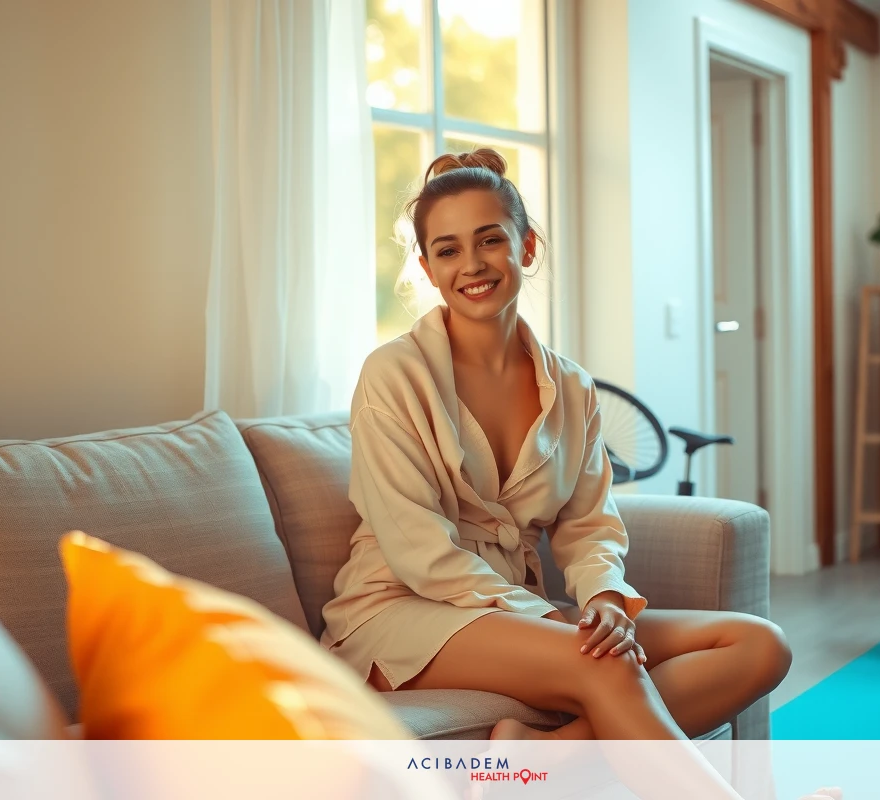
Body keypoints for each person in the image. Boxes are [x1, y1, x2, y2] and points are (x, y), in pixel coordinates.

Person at [319, 148, 792, 744]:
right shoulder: (392, 374)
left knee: (758, 645)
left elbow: (589, 525)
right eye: (448, 250)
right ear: (428, 268)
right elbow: (418, 550)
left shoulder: (571, 386)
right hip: (403, 608)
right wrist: (547, 618)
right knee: (603, 661)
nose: (472, 264)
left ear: (527, 247)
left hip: (514, 611)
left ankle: (547, 758)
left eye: (490, 240)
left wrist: (605, 599)